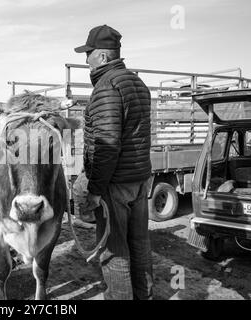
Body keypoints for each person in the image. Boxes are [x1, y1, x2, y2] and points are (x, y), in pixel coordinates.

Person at [74, 25, 153, 300]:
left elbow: (107, 146)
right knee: (140, 244)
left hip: (115, 185)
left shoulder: (106, 87)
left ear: (104, 57)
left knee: (114, 249)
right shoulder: (137, 84)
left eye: (89, 54)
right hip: (140, 180)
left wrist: (95, 189)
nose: (86, 60)